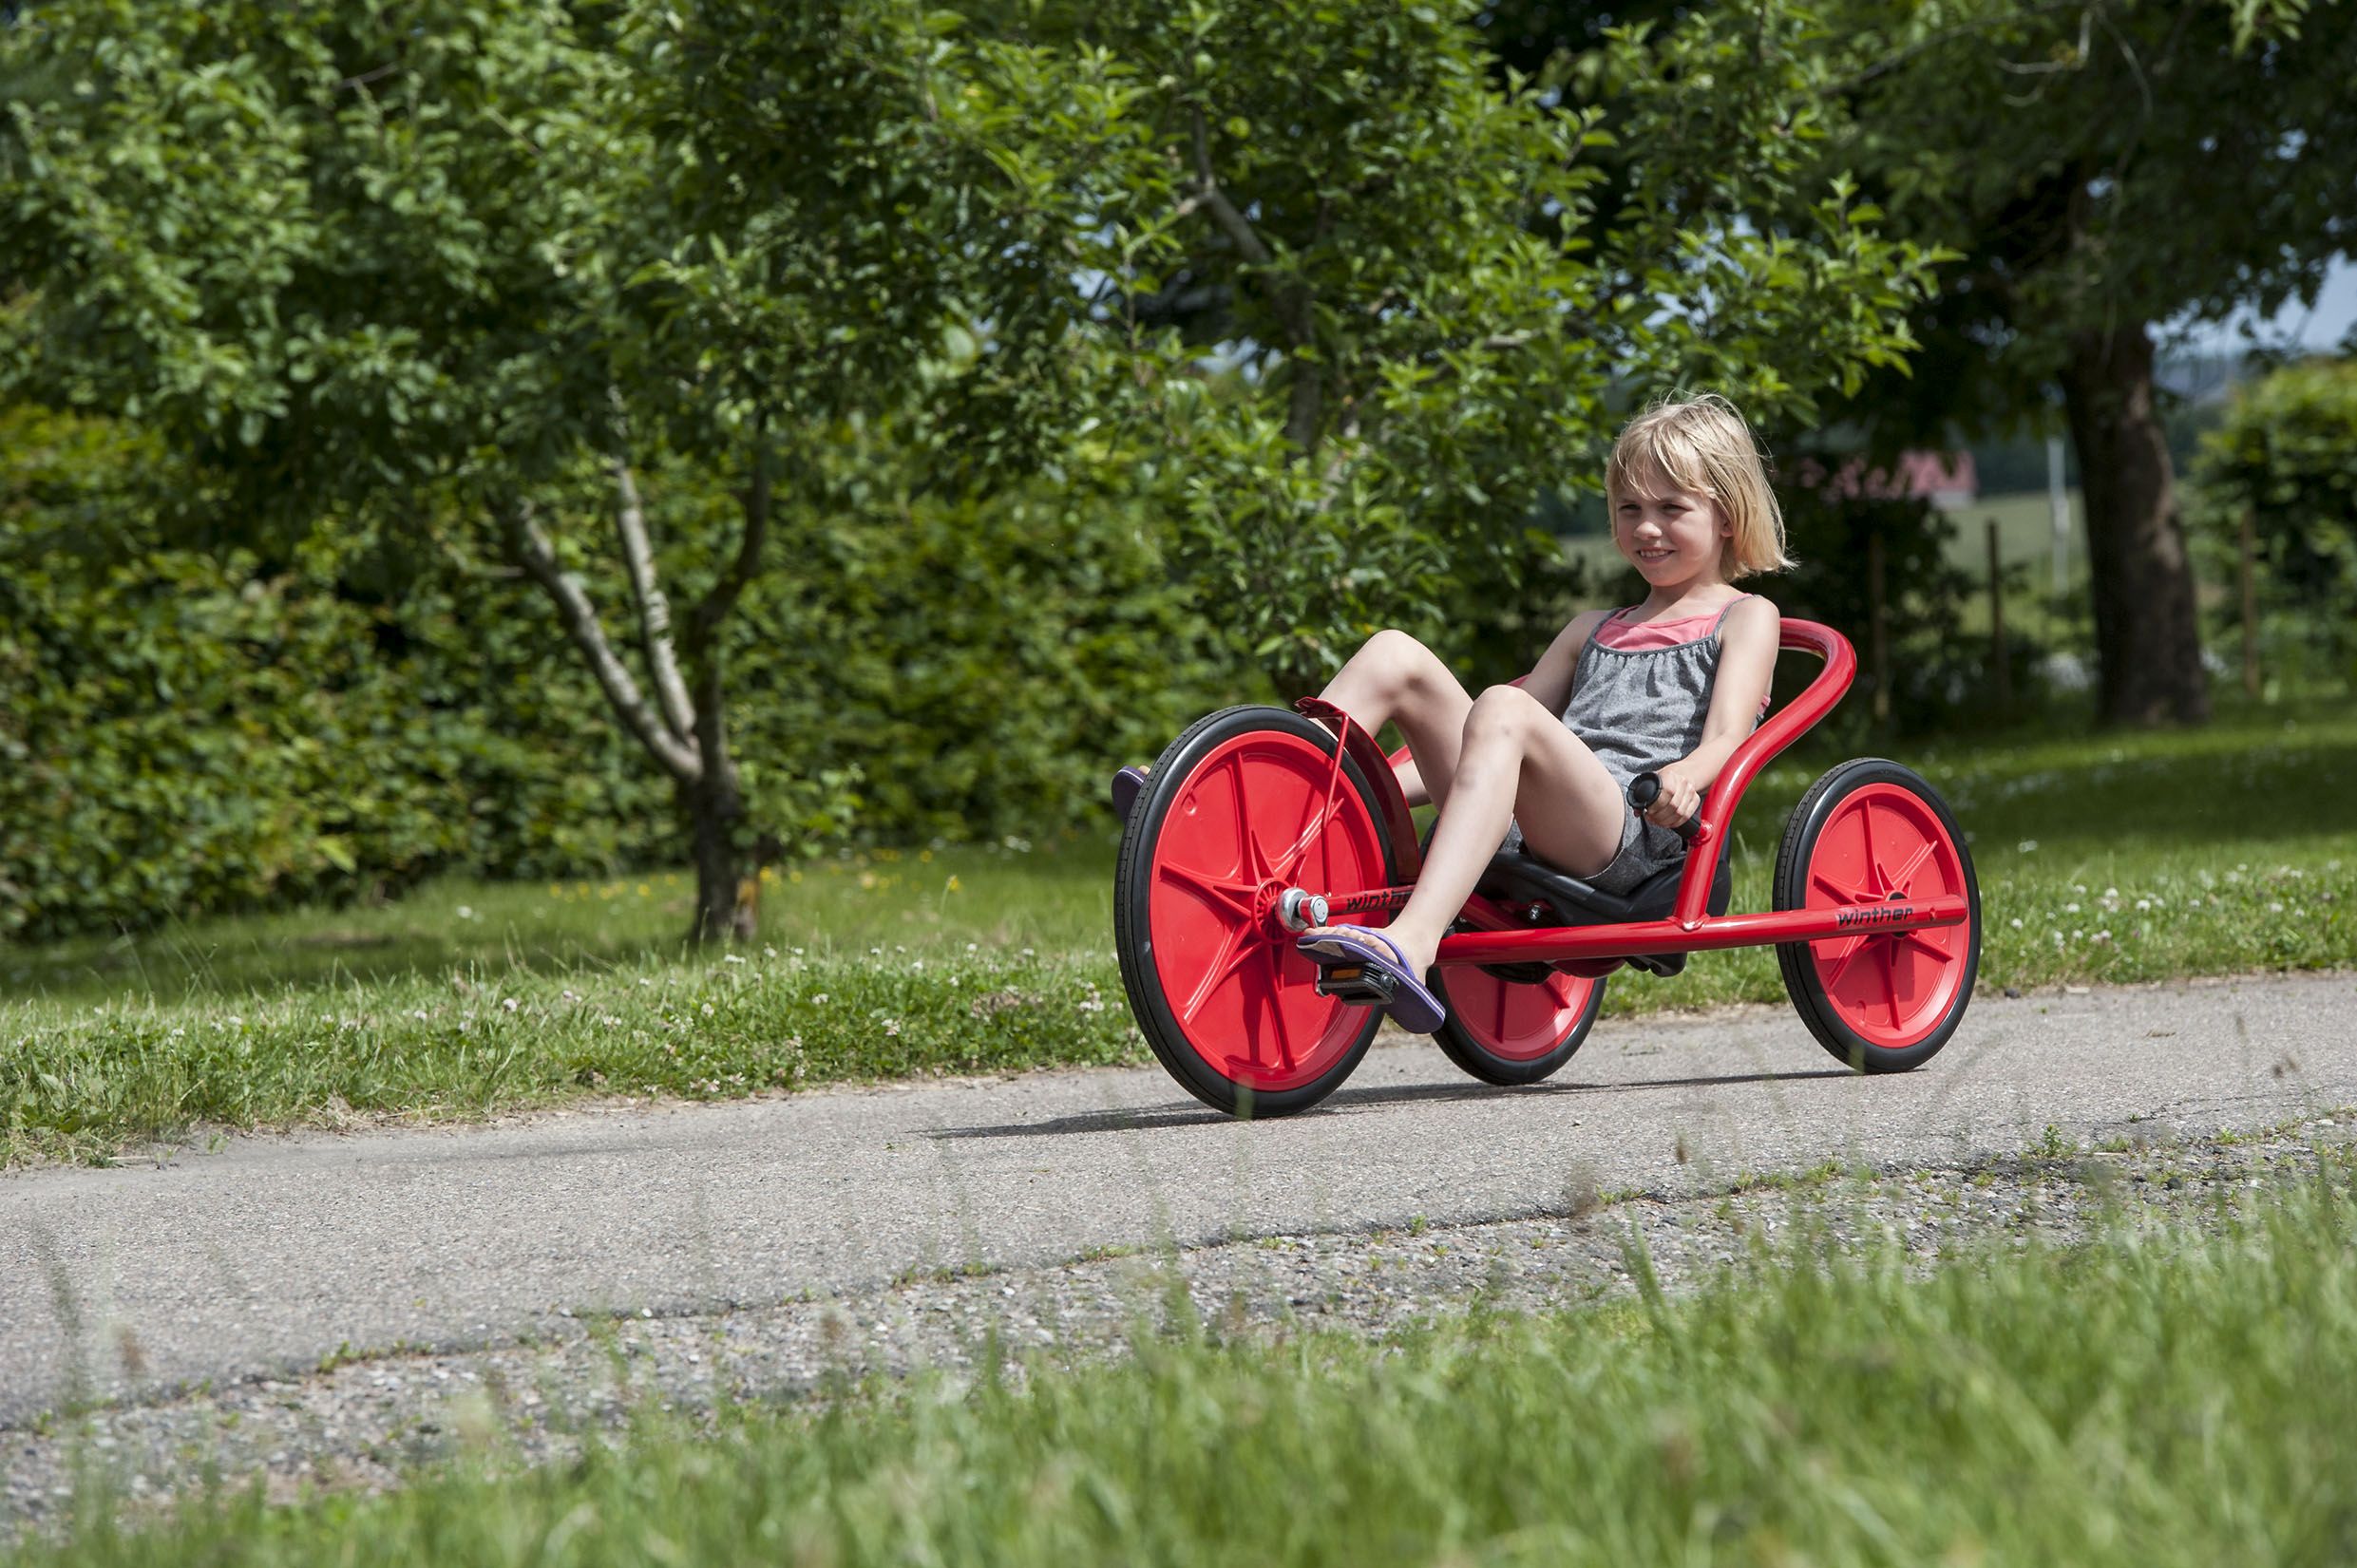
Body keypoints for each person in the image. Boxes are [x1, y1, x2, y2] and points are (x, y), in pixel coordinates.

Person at [1290, 394, 1787, 1031]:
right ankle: (1283, 805)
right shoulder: (1591, 628)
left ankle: (1413, 940)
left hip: (1633, 831)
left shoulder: (1745, 617)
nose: (1646, 528)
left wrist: (1683, 778)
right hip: (1535, 819)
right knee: (1395, 654)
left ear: (1726, 515)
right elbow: (1488, 745)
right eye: (1629, 509)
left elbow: (1728, 736)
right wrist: (1374, 789)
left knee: (1505, 704)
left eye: (1671, 509)